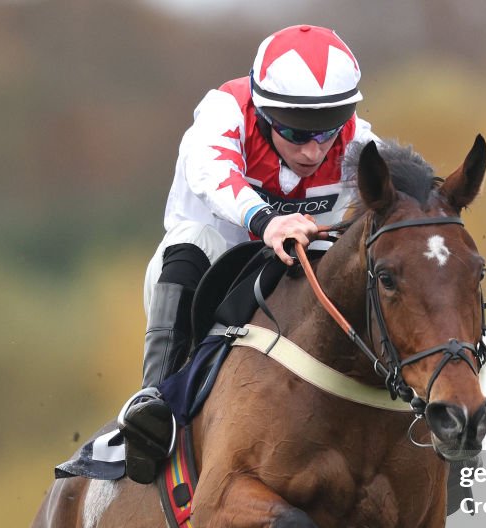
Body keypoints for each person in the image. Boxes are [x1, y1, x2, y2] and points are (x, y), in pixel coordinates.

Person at [117, 24, 379, 483]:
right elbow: (212, 171)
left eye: (327, 131)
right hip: (207, 276)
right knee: (194, 238)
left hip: (294, 280)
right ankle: (153, 399)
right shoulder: (224, 112)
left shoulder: (357, 142)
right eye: (297, 132)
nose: (314, 150)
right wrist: (266, 221)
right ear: (262, 113)